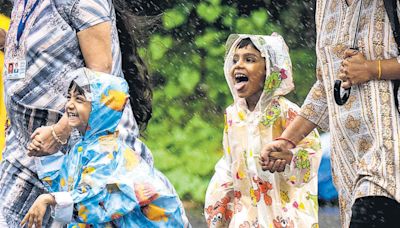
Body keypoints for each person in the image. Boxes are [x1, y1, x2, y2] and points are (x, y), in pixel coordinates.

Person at [0, 0, 156, 227]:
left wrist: (60, 132)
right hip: (29, 150)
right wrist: (7, 41)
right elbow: (45, 54)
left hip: (85, 149)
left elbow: (101, 76)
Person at [260, 0, 400, 227]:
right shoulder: (325, 4)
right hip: (349, 166)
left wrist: (373, 68)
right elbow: (326, 84)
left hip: (390, 157)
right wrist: (287, 140)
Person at [22, 69, 188, 228]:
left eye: (79, 99)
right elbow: (67, 187)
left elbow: (97, 195)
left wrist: (49, 199)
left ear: (101, 108)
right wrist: (46, 156)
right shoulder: (84, 148)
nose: (69, 105)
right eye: (69, 98)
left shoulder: (107, 151)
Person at [204, 34, 322, 228]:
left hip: (285, 215)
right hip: (246, 217)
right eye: (235, 60)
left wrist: (290, 157)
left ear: (270, 70)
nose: (238, 65)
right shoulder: (233, 116)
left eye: (249, 59)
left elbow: (312, 152)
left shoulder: (288, 112)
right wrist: (219, 203)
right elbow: (229, 164)